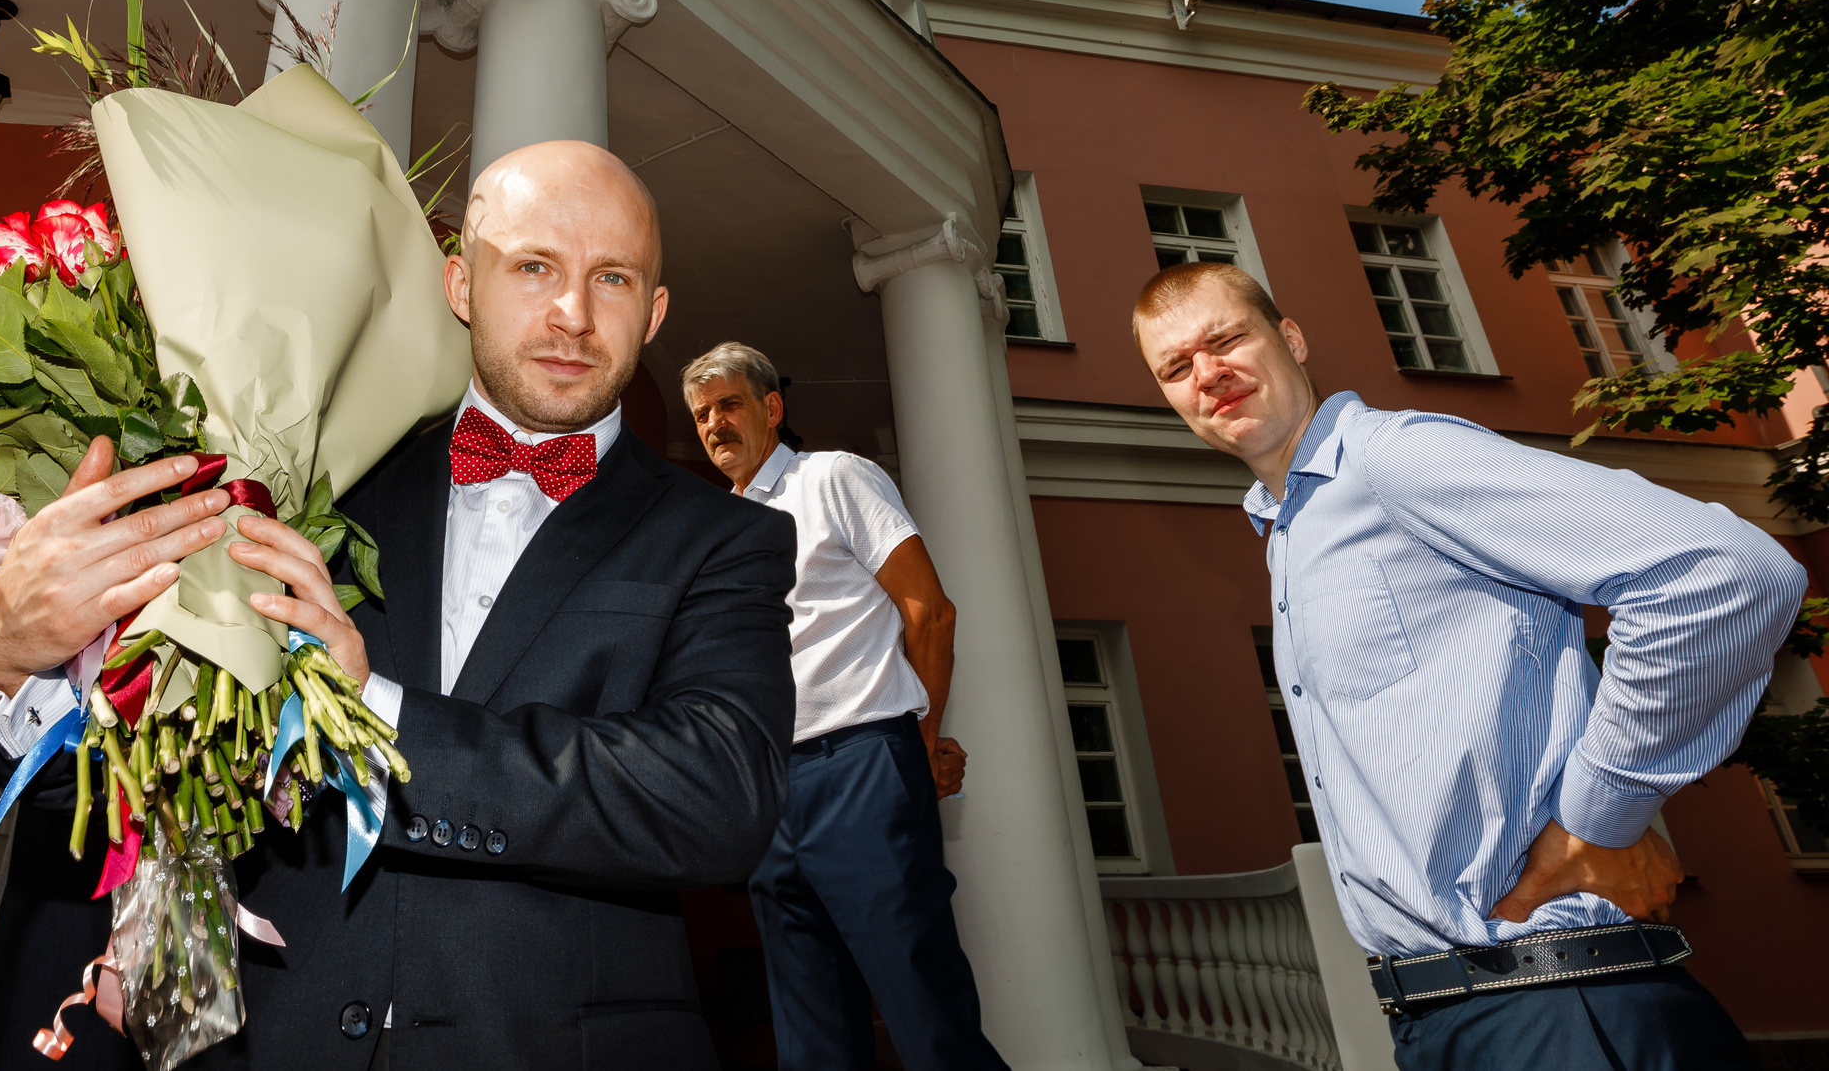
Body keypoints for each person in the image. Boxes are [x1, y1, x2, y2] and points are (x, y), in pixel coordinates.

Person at [0, 139, 798, 1070]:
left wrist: (376, 714)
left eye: (613, 277)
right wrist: (10, 669)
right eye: (532, 266)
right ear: (460, 283)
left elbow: (723, 797)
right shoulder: (303, 481)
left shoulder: (725, 536)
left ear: (655, 313)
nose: (573, 312)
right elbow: (139, 778)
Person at [1132, 258, 1807, 1070]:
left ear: (1293, 337)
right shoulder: (1292, 532)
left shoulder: (1392, 461)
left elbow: (1724, 571)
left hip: (1556, 1010)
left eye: (1226, 337)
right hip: (1449, 1018)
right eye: (1176, 366)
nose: (1208, 373)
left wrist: (1601, 816)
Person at [680, 341, 1005, 1071]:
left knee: (927, 1019)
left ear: (771, 407)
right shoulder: (716, 531)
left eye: (729, 404)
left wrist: (920, 739)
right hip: (769, 792)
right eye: (701, 414)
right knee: (812, 1044)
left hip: (861, 767)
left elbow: (930, 611)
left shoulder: (832, 476)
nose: (714, 424)